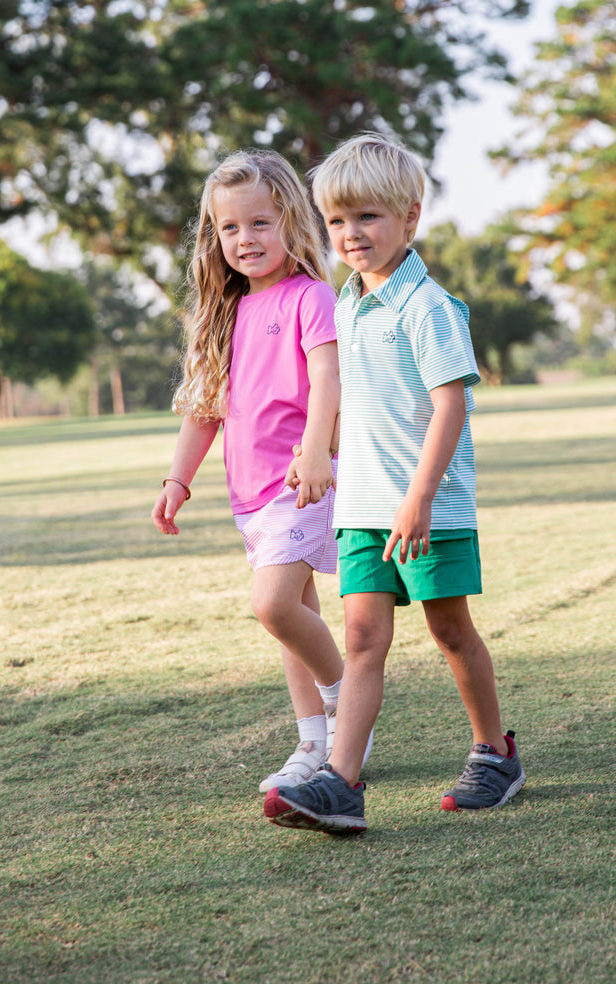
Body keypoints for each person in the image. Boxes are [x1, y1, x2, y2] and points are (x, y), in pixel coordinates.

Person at [263, 134, 524, 834]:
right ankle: (341, 784)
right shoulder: (346, 302)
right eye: (338, 221)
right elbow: (345, 392)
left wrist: (419, 497)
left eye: (368, 218)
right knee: (361, 640)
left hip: (428, 506)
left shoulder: (429, 307)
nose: (351, 234)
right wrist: (316, 447)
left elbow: (451, 405)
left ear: (410, 218)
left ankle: (495, 753)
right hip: (361, 506)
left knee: (449, 631)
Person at [151, 149, 358, 793]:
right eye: (230, 228)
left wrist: (318, 449)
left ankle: (351, 705)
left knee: (272, 606)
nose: (245, 239)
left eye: (260, 223)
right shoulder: (221, 314)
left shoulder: (310, 296)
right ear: (214, 238)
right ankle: (313, 743)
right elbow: (203, 409)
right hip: (248, 496)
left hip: (300, 482)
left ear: (290, 221)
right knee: (292, 615)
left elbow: (327, 376)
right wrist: (177, 480)